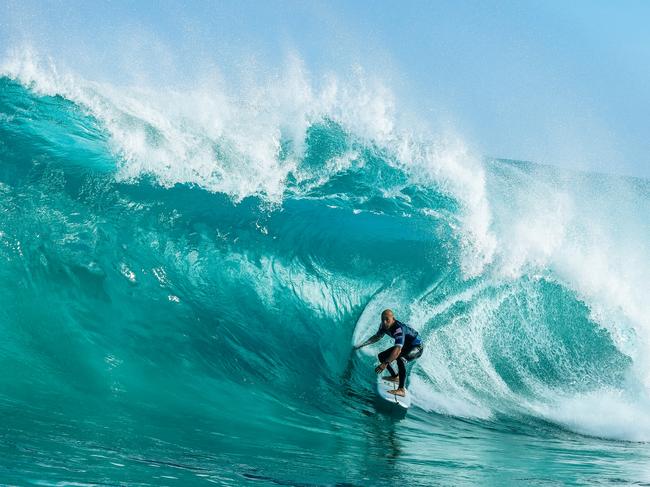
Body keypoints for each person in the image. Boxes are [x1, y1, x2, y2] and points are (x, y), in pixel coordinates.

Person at [354, 309, 423, 396]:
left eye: (387, 319)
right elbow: (377, 337)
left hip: (417, 347)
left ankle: (401, 389)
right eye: (382, 319)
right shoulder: (383, 326)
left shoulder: (398, 329)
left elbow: (397, 351)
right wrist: (362, 345)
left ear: (393, 319)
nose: (385, 322)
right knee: (382, 356)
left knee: (400, 359)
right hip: (406, 346)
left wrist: (385, 363)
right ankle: (395, 377)